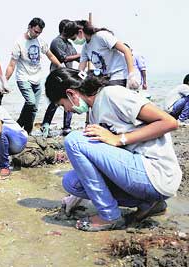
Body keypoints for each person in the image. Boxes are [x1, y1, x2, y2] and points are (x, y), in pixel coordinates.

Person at [45, 68, 182, 231]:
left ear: (71, 93)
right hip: (138, 173)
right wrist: (74, 199)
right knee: (72, 183)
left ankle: (109, 216)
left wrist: (120, 139)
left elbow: (170, 122)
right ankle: (150, 204)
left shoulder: (112, 95)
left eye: (62, 105)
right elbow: (96, 164)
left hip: (156, 172)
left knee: (74, 140)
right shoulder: (94, 113)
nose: (67, 110)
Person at [4, 17, 62, 135]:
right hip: (23, 78)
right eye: (35, 31)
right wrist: (5, 82)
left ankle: (26, 132)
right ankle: (19, 124)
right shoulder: (19, 42)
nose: (37, 35)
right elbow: (11, 65)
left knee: (34, 108)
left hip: (37, 79)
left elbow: (50, 56)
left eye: (39, 33)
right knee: (30, 103)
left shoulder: (40, 42)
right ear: (29, 27)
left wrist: (61, 67)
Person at [41, 20, 81, 137]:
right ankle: (46, 124)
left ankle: (67, 127)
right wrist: (79, 55)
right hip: (57, 77)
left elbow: (77, 58)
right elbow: (64, 58)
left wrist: (84, 55)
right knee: (55, 102)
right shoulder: (56, 42)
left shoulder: (69, 44)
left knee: (70, 101)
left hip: (68, 77)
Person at [76, 20, 139, 89]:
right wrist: (76, 81)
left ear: (80, 32)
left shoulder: (101, 36)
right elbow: (81, 67)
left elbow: (126, 50)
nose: (74, 41)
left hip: (119, 74)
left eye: (73, 38)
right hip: (106, 77)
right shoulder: (85, 47)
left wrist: (131, 75)